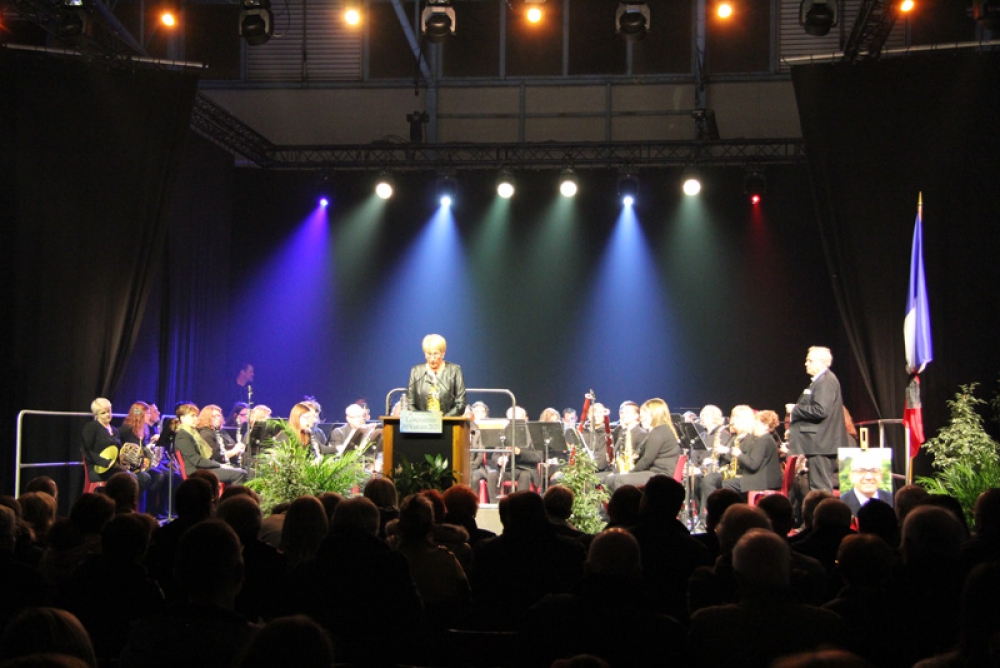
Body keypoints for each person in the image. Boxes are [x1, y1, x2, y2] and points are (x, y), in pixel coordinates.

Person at [786, 346, 849, 492]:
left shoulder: (825, 381)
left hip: (821, 445)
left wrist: (795, 409)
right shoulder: (819, 381)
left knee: (820, 488)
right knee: (817, 487)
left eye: (810, 360)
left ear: (821, 362)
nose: (806, 363)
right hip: (818, 445)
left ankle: (824, 508)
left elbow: (820, 410)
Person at [702, 405, 782, 503]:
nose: (754, 426)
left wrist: (738, 454)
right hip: (764, 479)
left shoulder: (762, 440)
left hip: (760, 481)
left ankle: (726, 509)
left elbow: (753, 465)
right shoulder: (767, 439)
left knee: (724, 485)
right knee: (720, 482)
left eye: (756, 423)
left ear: (765, 426)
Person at [605, 398, 680, 491]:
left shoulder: (658, 432)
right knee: (611, 479)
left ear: (655, 414)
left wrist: (629, 473)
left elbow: (646, 460)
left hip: (660, 475)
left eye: (644, 413)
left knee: (617, 480)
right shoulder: (661, 430)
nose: (641, 417)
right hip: (655, 473)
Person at [174, 403, 246, 486]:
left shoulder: (193, 433)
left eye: (196, 416)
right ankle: (234, 494)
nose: (196, 418)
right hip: (196, 471)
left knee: (248, 473)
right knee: (238, 474)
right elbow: (197, 460)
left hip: (203, 468)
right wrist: (220, 465)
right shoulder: (183, 435)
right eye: (192, 416)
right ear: (182, 418)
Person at [405, 333, 467, 416]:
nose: (432, 358)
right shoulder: (416, 371)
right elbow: (410, 403)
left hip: (448, 421)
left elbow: (461, 404)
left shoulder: (455, 370)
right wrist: (422, 419)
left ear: (443, 353)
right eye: (429, 354)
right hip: (421, 422)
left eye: (435, 354)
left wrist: (443, 419)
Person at [841, 449, 894, 515]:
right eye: (861, 471)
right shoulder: (842, 503)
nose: (869, 477)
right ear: (852, 477)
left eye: (874, 471)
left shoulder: (892, 499)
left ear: (881, 476)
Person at [611, 400, 647, 474]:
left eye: (627, 412)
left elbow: (639, 459)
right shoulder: (622, 431)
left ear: (636, 416)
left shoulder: (642, 433)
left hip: (632, 472)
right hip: (619, 469)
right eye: (622, 413)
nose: (623, 415)